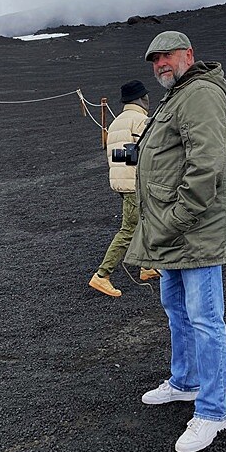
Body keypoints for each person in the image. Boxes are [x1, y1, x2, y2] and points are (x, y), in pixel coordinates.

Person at [125, 31, 226, 452]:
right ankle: (186, 382)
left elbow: (206, 164)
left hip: (193, 230)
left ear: (189, 54)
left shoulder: (200, 94)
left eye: (167, 56)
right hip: (173, 232)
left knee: (205, 319)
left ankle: (213, 412)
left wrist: (175, 218)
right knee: (176, 309)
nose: (160, 64)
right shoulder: (179, 95)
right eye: (155, 60)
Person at [89, 80, 159, 298]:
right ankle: (102, 275)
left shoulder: (117, 122)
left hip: (121, 182)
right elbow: (150, 153)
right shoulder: (141, 121)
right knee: (129, 229)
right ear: (141, 99)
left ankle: (147, 267)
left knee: (145, 222)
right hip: (135, 184)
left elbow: (120, 155)